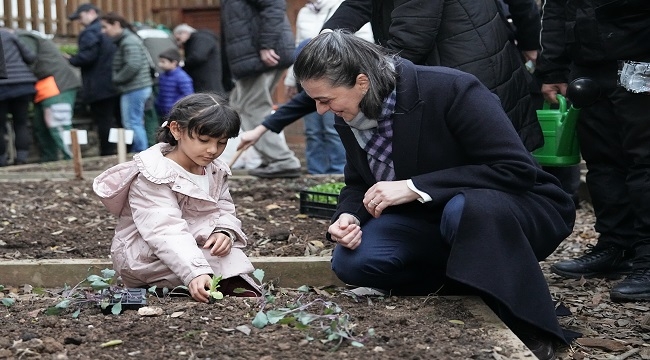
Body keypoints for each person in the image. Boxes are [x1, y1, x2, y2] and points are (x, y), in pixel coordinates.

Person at [294, 31, 576, 360]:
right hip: (429, 220)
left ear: (361, 82)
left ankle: (523, 319)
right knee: (353, 261)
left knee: (466, 209)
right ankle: (469, 280)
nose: (320, 110)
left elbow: (515, 169)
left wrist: (415, 186)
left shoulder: (450, 88)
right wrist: (348, 216)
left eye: (326, 100)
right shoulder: (350, 113)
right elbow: (358, 182)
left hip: (510, 209)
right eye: (315, 100)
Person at [239, 0, 546, 174]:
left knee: (484, 164)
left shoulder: (412, 67)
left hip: (466, 62)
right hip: (446, 56)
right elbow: (358, 6)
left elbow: (409, 39)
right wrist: (326, 43)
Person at [93, 93, 261, 302]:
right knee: (217, 266)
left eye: (222, 143)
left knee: (226, 255)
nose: (212, 150)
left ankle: (206, 282)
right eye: (204, 140)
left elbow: (224, 206)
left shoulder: (214, 170)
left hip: (193, 246)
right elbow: (164, 230)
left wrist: (224, 231)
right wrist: (195, 271)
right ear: (176, 130)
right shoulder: (154, 175)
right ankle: (172, 286)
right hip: (145, 255)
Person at [536, 0, 650, 302]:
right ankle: (617, 245)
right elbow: (558, 8)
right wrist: (552, 67)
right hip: (589, 64)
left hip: (641, 56)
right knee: (602, 161)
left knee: (645, 162)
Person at [220, 0, 302, 179]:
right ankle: (272, 158)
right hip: (251, 58)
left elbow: (275, 6)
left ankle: (282, 161)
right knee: (239, 106)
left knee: (253, 108)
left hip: (261, 56)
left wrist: (267, 45)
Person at [17, 29, 81, 162]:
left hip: (58, 85)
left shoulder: (23, 38)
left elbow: (29, 59)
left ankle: (73, 160)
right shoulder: (23, 38)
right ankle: (49, 160)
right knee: (41, 127)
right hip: (46, 87)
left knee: (59, 123)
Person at [67, 3, 121, 157]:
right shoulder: (111, 30)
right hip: (116, 82)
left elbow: (88, 57)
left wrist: (73, 60)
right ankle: (127, 150)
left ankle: (107, 151)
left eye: (80, 17)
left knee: (104, 120)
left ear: (91, 13)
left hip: (99, 85)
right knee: (119, 119)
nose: (79, 21)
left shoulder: (90, 32)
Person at [100, 12, 154, 153]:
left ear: (116, 24)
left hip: (135, 88)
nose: (103, 31)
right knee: (135, 121)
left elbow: (133, 65)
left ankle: (140, 152)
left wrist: (117, 79)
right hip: (136, 87)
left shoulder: (128, 41)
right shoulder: (127, 40)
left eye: (105, 27)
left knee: (132, 122)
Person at [0, 27, 36, 166]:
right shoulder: (9, 35)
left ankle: (1, 160)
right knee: (21, 122)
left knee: (0, 125)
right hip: (22, 84)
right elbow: (30, 57)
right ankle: (22, 158)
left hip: (1, 86)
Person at [172, 24, 228, 95]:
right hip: (204, 80)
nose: (178, 42)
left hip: (206, 80)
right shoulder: (198, 39)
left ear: (184, 32)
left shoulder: (201, 38)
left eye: (178, 39)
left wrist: (183, 63)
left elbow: (198, 57)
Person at [154, 47, 194, 118]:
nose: (160, 64)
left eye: (163, 62)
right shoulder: (163, 76)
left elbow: (188, 95)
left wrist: (176, 107)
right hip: (163, 111)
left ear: (174, 63)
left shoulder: (182, 77)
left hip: (176, 113)